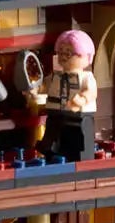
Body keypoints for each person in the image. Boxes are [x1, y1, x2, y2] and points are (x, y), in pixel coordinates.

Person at [30, 29, 98, 160]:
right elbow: (44, 86)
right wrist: (35, 90)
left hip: (79, 116)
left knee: (79, 137)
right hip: (56, 113)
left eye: (69, 53)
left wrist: (82, 99)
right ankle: (50, 150)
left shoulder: (86, 77)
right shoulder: (56, 76)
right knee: (52, 132)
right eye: (61, 53)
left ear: (86, 56)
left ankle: (80, 156)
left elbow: (91, 92)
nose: (63, 57)